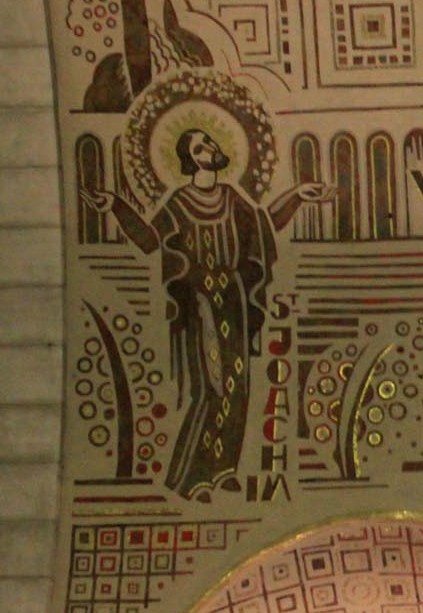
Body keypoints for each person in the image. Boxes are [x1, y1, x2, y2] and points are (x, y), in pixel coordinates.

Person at [82, 128, 326, 498]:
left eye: (210, 143)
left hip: (234, 300)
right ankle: (190, 476)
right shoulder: (179, 204)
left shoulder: (231, 198)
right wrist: (116, 206)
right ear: (191, 158)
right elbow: (149, 240)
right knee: (210, 386)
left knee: (238, 386)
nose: (211, 149)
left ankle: (225, 469)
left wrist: (295, 197)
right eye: (201, 146)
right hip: (199, 304)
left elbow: (264, 226)